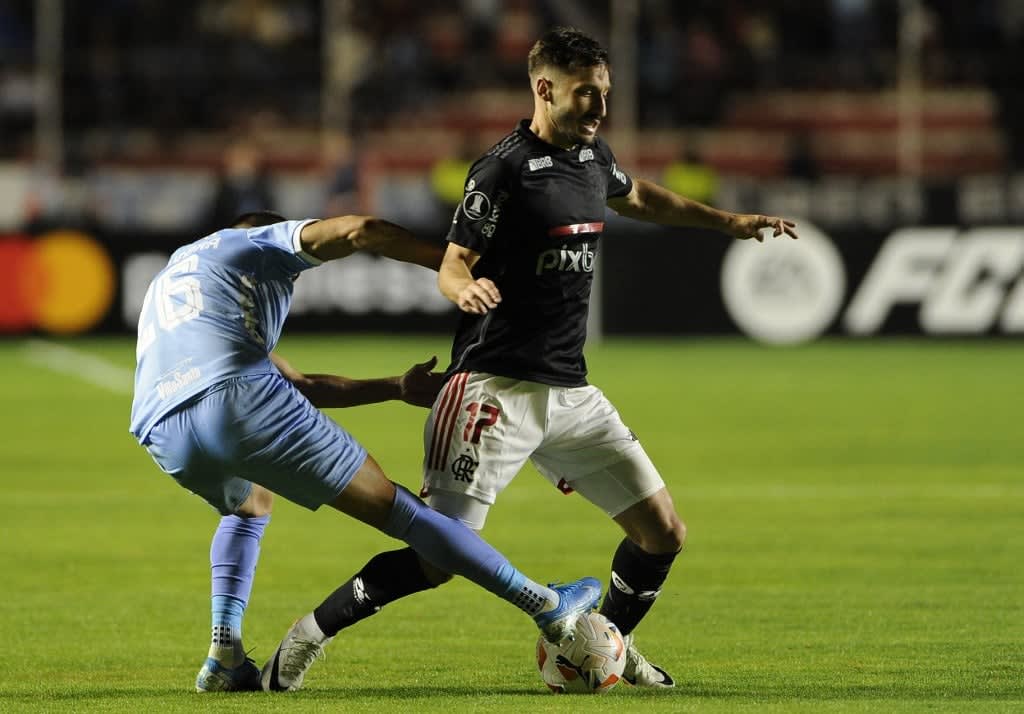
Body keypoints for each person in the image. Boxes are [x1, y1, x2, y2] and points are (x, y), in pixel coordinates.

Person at [259, 26, 800, 693]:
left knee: (663, 532)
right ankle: (309, 634)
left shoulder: (594, 158)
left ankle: (611, 645)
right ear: (545, 88)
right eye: (586, 94)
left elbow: (643, 197)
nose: (601, 108)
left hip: (570, 392)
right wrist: (466, 286)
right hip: (492, 390)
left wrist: (728, 222)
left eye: (605, 92)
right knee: (437, 560)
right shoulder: (502, 169)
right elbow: (454, 263)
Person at [128, 209, 602, 693]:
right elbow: (363, 230)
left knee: (250, 505)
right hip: (231, 395)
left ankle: (224, 654)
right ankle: (545, 604)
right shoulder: (256, 244)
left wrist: (395, 386)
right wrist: (455, 267)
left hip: (159, 425)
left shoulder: (180, 273)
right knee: (405, 514)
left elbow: (297, 382)